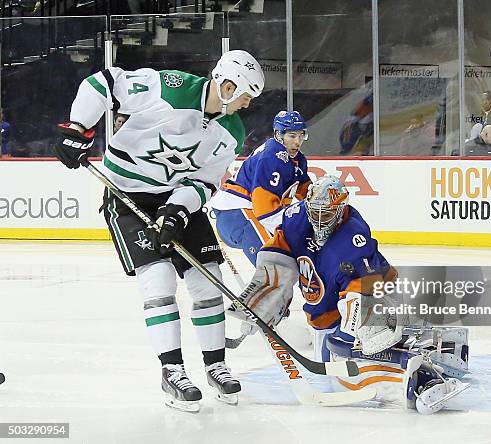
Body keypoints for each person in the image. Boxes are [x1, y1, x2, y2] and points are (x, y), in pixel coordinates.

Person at [53, 50, 265, 412]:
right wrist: (78, 129)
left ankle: (216, 365)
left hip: (176, 202)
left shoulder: (232, 130)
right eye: (246, 95)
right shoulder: (172, 87)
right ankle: (172, 371)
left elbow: (206, 182)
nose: (247, 103)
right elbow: (103, 83)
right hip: (128, 196)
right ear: (228, 86)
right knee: (159, 279)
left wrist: (178, 211)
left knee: (207, 279)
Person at [234, 175, 469, 413]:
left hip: (370, 295)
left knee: (352, 363)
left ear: (339, 211)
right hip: (324, 314)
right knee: (332, 373)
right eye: (313, 211)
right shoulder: (297, 220)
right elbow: (278, 258)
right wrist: (261, 301)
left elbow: (363, 285)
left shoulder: (352, 238)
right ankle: (437, 343)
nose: (317, 220)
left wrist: (355, 329)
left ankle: (422, 376)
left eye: (325, 214)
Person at [210, 110, 311, 266]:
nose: (297, 141)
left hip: (252, 213)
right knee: (275, 264)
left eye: (301, 135)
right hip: (237, 214)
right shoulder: (272, 157)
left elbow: (306, 191)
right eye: (292, 136)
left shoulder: (297, 159)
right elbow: (266, 211)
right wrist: (294, 228)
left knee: (287, 265)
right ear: (279, 135)